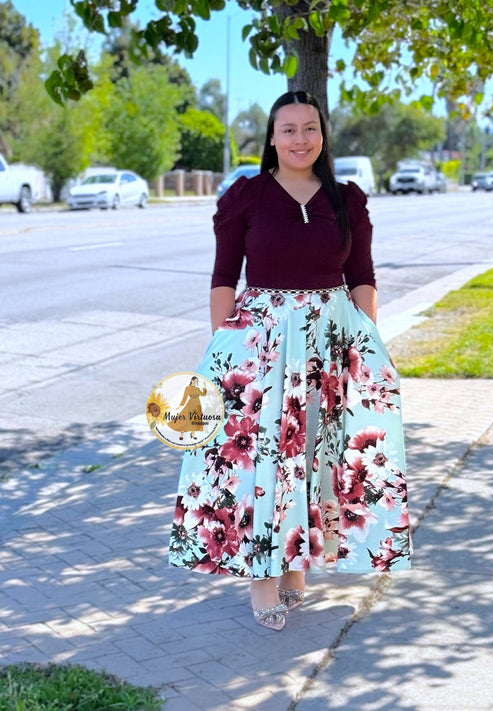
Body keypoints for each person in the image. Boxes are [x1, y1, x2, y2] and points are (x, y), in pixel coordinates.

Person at [169, 90, 411, 631]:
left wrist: (365, 345)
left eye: (310, 128)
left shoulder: (347, 200)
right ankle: (262, 576)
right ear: (272, 138)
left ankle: (296, 564)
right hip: (260, 349)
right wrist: (222, 349)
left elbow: (362, 277)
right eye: (289, 129)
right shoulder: (246, 197)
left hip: (328, 346)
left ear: (322, 135)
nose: (301, 139)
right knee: (263, 461)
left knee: (314, 456)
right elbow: (224, 278)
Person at [167, 376, 207, 441]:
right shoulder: (187, 388)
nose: (195, 382)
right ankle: (182, 434)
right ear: (191, 380)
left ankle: (193, 434)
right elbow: (185, 397)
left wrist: (204, 388)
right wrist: (181, 405)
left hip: (197, 404)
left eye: (196, 381)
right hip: (190, 404)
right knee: (186, 418)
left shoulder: (197, 389)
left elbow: (203, 394)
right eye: (194, 381)